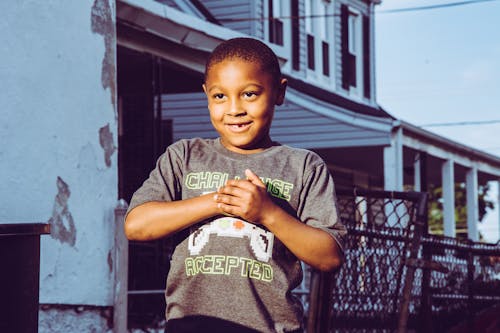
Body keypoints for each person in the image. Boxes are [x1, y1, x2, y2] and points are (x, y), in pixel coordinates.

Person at [124, 37, 346, 333]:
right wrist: (217, 201)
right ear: (206, 95)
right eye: (220, 97)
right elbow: (136, 225)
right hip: (189, 328)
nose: (234, 109)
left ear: (279, 92)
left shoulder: (303, 166)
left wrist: (267, 213)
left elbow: (329, 256)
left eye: (250, 94)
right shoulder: (184, 156)